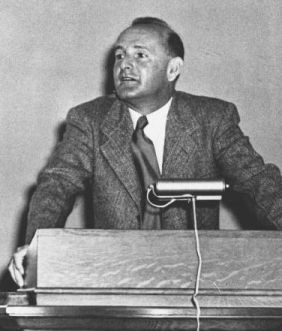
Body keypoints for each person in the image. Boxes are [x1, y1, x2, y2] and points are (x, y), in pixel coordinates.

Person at [9, 17, 282, 287]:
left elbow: (258, 182)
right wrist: (35, 248)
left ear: (173, 69)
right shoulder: (89, 120)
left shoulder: (212, 119)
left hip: (196, 286)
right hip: (114, 281)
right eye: (119, 56)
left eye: (140, 55)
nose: (125, 64)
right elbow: (56, 187)